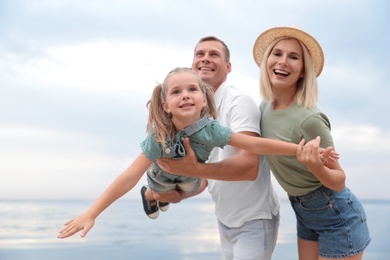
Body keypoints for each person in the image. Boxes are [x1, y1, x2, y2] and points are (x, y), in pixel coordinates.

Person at [57, 66, 307, 239]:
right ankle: (152, 195)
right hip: (162, 179)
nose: (185, 95)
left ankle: (162, 197)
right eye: (176, 92)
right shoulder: (159, 135)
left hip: (191, 179)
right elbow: (129, 175)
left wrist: (298, 149)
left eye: (192, 90)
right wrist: (92, 213)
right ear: (165, 105)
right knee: (169, 194)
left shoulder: (212, 130)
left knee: (197, 186)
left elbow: (256, 145)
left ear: (203, 100)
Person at [154, 36, 283, 260]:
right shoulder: (196, 112)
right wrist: (181, 195)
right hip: (225, 220)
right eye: (200, 54)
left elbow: (249, 167)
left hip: (254, 219)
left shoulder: (238, 102)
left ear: (228, 67)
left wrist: (193, 170)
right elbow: (208, 175)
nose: (205, 59)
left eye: (214, 54)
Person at [252, 26, 371, 259]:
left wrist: (316, 165)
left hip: (337, 215)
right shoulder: (264, 107)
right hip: (304, 211)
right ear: (267, 60)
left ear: (303, 71)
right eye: (277, 53)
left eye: (293, 57)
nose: (283, 61)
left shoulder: (309, 119)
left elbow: (339, 180)